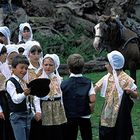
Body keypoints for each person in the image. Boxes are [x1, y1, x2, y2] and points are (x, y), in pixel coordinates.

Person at [94, 50, 138, 140]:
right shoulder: (107, 77)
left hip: (121, 113)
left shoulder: (126, 79)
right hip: (108, 112)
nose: (105, 66)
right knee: (106, 133)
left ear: (113, 65)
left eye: (107, 64)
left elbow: (136, 95)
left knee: (120, 134)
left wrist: (131, 92)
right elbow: (95, 89)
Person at [61, 53, 96, 140]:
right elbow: (92, 99)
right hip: (85, 114)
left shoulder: (64, 83)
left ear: (69, 68)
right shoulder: (88, 82)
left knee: (70, 136)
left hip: (70, 115)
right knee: (87, 136)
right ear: (82, 68)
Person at [38, 53, 67, 140]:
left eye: (50, 65)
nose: (48, 67)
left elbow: (61, 94)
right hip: (46, 107)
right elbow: (37, 96)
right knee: (47, 131)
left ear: (55, 66)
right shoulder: (40, 79)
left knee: (58, 129)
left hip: (57, 107)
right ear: (42, 65)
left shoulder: (59, 79)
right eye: (46, 65)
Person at [5, 55, 32, 140]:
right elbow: (15, 99)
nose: (24, 71)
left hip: (27, 114)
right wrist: (24, 94)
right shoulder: (10, 82)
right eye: (21, 68)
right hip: (17, 116)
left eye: (26, 68)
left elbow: (28, 101)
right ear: (13, 68)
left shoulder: (23, 81)